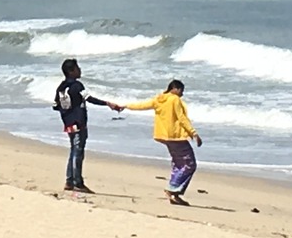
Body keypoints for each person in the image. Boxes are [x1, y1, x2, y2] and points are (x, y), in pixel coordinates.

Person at [122, 78, 202, 205]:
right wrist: (194, 133)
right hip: (176, 137)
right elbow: (181, 118)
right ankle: (173, 189)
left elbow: (142, 105)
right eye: (181, 91)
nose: (182, 94)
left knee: (178, 163)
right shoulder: (174, 99)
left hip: (164, 136)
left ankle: (174, 192)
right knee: (189, 164)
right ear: (175, 89)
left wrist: (125, 106)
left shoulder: (159, 99)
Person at [53, 58, 121, 194]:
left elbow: (56, 105)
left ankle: (69, 181)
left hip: (68, 124)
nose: (80, 71)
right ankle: (77, 182)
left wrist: (68, 114)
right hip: (79, 123)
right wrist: (107, 103)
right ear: (71, 71)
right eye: (77, 68)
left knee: (73, 150)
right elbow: (88, 98)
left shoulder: (61, 87)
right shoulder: (77, 86)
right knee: (78, 151)